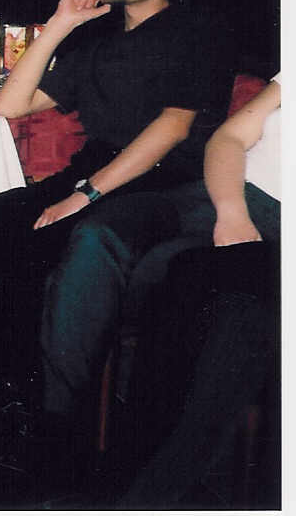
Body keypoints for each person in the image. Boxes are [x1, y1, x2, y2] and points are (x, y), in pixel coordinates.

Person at [0, 0, 232, 474]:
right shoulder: (100, 41)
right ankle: (15, 383)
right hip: (87, 175)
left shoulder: (196, 32)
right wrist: (59, 24)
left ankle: (48, 414)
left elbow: (173, 128)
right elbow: (11, 104)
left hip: (159, 186)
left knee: (25, 260)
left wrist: (86, 195)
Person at [112, 75, 280, 508]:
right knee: (163, 271)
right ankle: (124, 471)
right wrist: (232, 212)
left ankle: (152, 495)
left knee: (238, 314)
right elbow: (228, 138)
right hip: (237, 201)